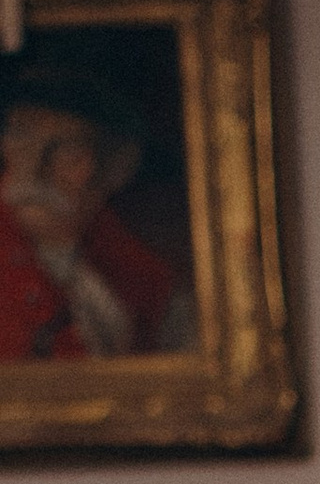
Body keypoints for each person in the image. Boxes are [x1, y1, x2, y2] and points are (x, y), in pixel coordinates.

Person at [0, 55, 190, 359]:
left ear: (115, 170)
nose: (33, 170)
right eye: (21, 135)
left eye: (66, 149)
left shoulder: (141, 275)